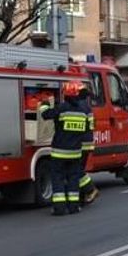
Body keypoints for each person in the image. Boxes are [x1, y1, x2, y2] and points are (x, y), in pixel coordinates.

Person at [39, 81, 90, 216]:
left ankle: (59, 208)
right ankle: (74, 207)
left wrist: (44, 103)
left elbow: (46, 114)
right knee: (73, 179)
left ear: (66, 95)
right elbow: (85, 130)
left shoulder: (61, 108)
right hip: (75, 153)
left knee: (58, 178)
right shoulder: (82, 113)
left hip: (59, 153)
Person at [77, 81, 98, 206]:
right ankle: (83, 195)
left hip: (80, 143)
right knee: (80, 169)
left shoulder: (79, 106)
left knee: (77, 170)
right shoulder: (87, 107)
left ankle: (90, 189)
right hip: (87, 143)